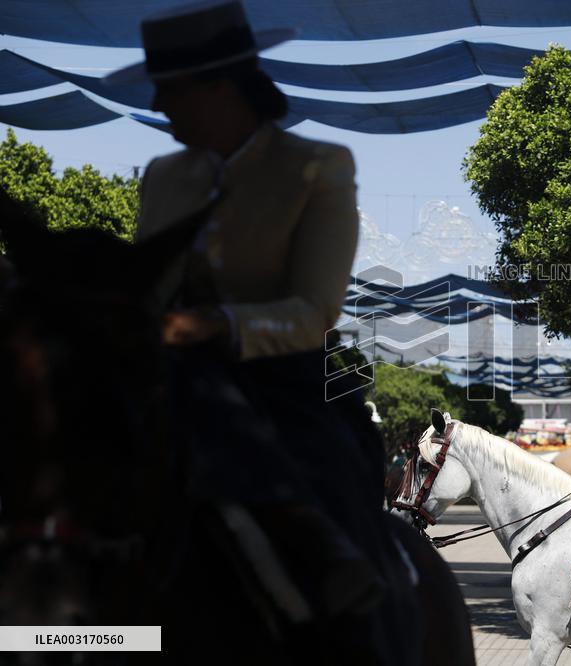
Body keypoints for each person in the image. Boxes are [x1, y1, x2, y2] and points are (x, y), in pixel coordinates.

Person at [103, 2, 413, 662]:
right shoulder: (163, 177)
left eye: (170, 88)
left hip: (285, 388)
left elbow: (315, 310)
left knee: (336, 500)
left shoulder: (319, 166)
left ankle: (341, 577)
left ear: (221, 86)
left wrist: (217, 323)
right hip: (171, 376)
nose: (158, 104)